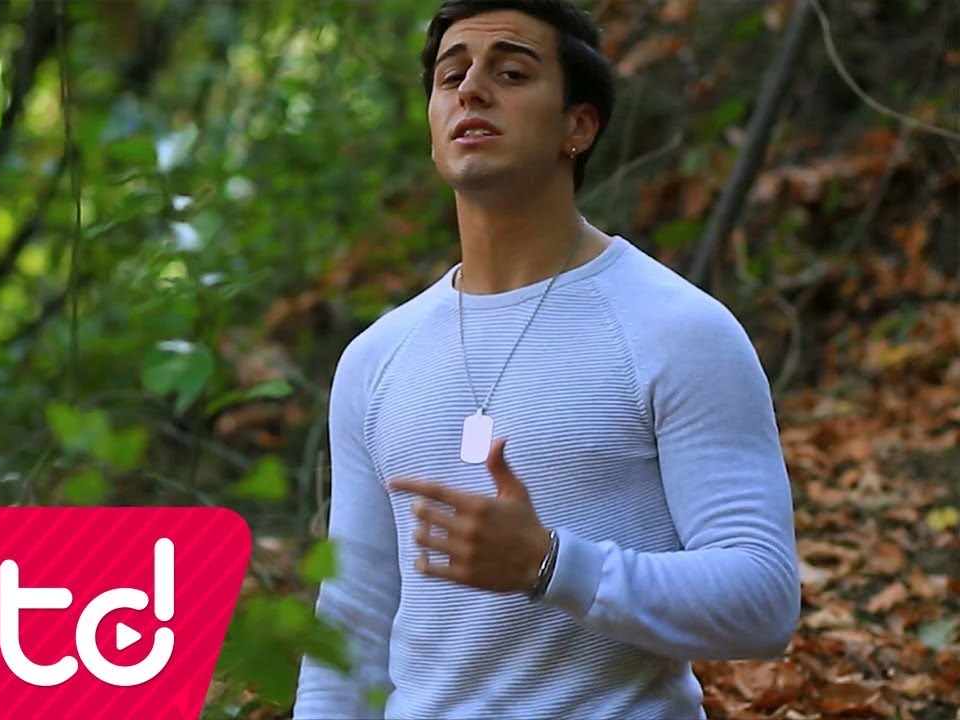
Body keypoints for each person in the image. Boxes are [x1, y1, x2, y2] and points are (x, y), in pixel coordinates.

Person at [292, 0, 802, 718]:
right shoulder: (375, 359)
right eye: (451, 76)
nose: (472, 89)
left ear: (578, 127)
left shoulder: (678, 330)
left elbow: (764, 601)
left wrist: (553, 565)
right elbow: (351, 622)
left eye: (511, 72)